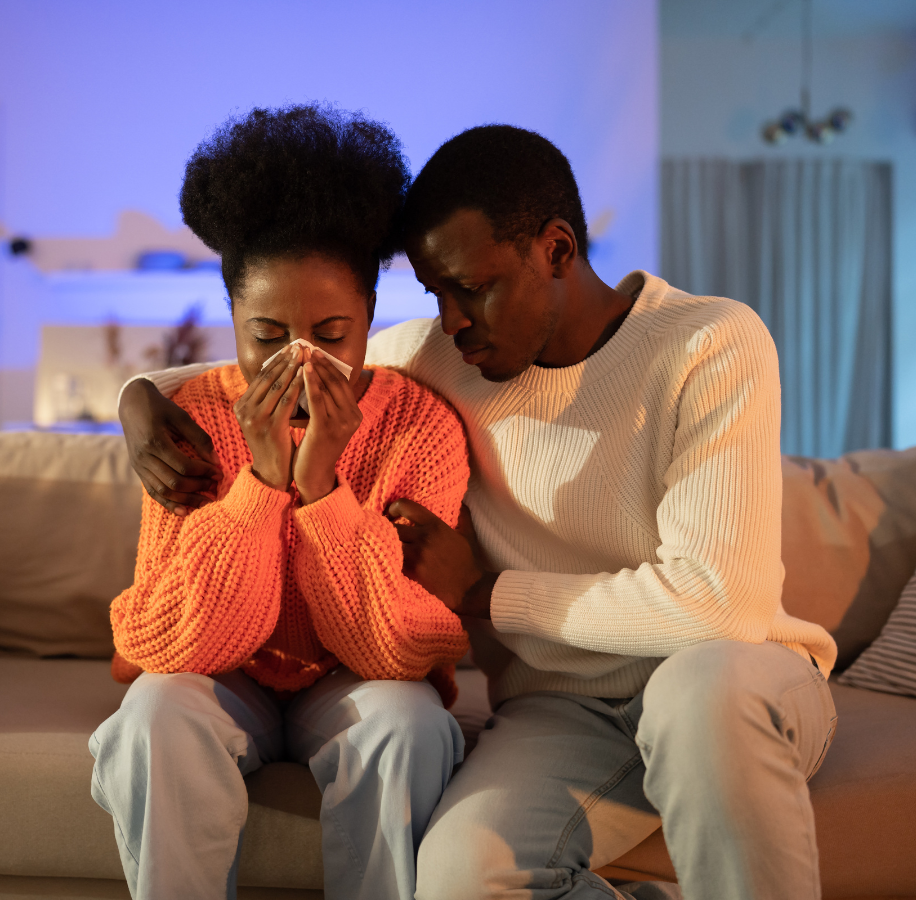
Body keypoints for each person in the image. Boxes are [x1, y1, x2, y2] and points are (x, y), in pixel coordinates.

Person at [119, 125, 839, 900]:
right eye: (437, 295)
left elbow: (719, 606)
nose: (453, 318)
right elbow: (281, 361)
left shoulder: (710, 343)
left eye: (474, 287)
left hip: (731, 678)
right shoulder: (450, 354)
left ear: (556, 250)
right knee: (459, 881)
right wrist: (138, 405)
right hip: (563, 712)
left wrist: (486, 595)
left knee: (700, 694)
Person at [89, 104, 472, 900]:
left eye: (332, 333)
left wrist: (323, 488)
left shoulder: (419, 427)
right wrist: (262, 486)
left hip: (353, 679)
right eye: (267, 335)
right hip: (226, 676)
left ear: (371, 319)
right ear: (231, 321)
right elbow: (176, 644)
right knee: (155, 716)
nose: (301, 363)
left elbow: (397, 652)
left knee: (410, 725)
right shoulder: (189, 419)